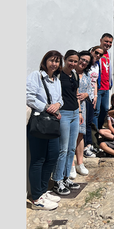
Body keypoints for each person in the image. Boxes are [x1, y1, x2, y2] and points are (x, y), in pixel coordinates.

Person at [26, 50, 64, 210]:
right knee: (38, 159)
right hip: (40, 121)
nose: (54, 64)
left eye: (57, 61)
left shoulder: (56, 80)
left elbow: (60, 99)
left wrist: (58, 105)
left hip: (52, 123)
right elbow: (28, 96)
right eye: (51, 60)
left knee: (52, 157)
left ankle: (43, 190)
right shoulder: (37, 76)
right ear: (45, 61)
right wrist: (47, 107)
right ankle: (36, 198)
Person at [51, 50, 82, 196]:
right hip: (64, 114)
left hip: (75, 113)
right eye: (70, 60)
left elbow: (76, 95)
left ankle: (65, 177)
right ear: (65, 59)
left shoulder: (74, 75)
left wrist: (80, 111)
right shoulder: (58, 76)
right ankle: (57, 180)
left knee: (71, 148)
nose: (73, 64)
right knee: (62, 149)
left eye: (75, 62)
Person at [95, 33, 114, 130]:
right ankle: (94, 132)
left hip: (106, 87)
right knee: (96, 111)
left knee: (105, 109)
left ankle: (99, 128)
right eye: (106, 41)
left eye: (110, 42)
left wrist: (111, 82)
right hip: (98, 88)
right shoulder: (96, 52)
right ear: (101, 40)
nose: (108, 44)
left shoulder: (109, 54)